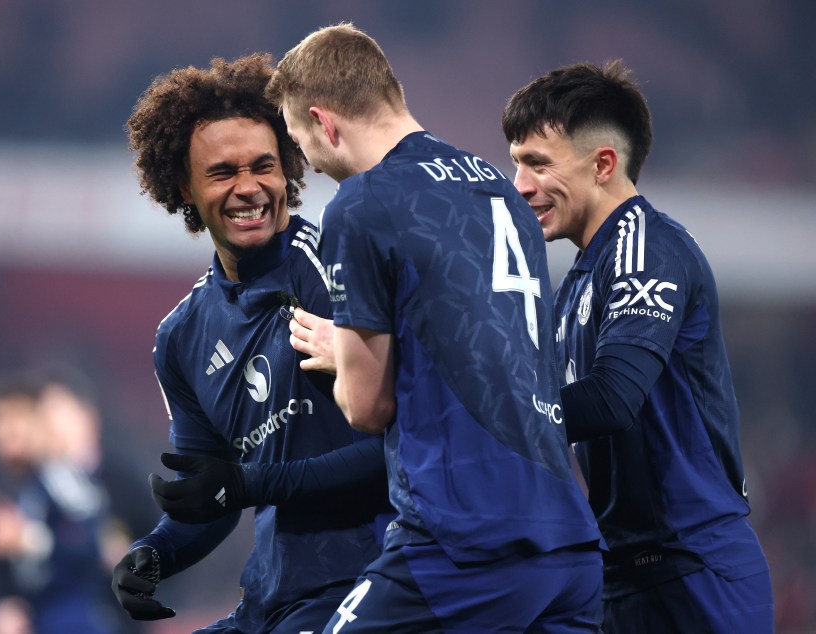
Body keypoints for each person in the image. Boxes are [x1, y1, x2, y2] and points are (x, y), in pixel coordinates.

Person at [266, 23, 604, 633]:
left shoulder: (364, 203)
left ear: (325, 122)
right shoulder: (498, 188)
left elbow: (369, 407)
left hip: (464, 541)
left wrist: (345, 359)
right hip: (568, 543)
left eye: (298, 139)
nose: (308, 163)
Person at [110, 53, 392, 633]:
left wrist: (249, 484)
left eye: (264, 166)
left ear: (289, 167)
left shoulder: (333, 267)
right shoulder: (180, 338)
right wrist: (156, 553)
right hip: (273, 593)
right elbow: (210, 500)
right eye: (222, 173)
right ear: (183, 186)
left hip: (371, 581)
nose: (249, 188)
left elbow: (403, 443)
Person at [501, 60, 774, 632]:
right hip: (626, 574)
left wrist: (481, 416)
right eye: (516, 163)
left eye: (537, 163)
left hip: (693, 572)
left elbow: (609, 400)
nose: (520, 185)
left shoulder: (642, 248)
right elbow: (533, 399)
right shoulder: (578, 278)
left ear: (604, 163)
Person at [0, 369, 133, 634]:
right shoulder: (22, 489)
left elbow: (94, 546)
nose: (4, 434)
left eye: (13, 421)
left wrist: (28, 540)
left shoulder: (62, 478)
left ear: (39, 423)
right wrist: (5, 603)